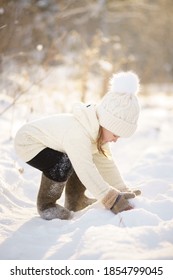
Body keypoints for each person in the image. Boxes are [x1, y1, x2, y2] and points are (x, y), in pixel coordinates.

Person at [14, 71, 141, 220]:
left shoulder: (97, 134)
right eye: (115, 134)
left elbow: (107, 164)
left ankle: (75, 201)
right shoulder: (78, 133)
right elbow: (85, 168)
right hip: (29, 142)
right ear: (106, 123)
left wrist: (121, 189)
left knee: (82, 156)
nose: (116, 140)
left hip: (49, 143)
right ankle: (46, 205)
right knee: (64, 162)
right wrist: (111, 199)